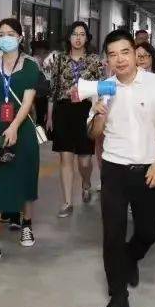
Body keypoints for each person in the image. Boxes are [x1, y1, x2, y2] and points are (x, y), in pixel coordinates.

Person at [88, 29, 155, 307]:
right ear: (107, 59)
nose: (120, 60)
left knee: (148, 232)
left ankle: (129, 259)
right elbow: (93, 133)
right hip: (114, 168)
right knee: (112, 234)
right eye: (112, 55)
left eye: (125, 52)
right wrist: (99, 114)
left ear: (135, 53)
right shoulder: (104, 88)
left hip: (148, 169)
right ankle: (118, 296)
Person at [0, 18, 42, 264]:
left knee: (25, 178)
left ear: (20, 37)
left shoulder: (30, 66)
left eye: (10, 33)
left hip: (22, 131)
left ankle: (27, 224)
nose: (5, 38)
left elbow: (27, 102)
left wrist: (13, 127)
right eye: (1, 34)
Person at [48, 21, 103, 217]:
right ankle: (67, 202)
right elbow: (53, 89)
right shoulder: (59, 59)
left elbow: (100, 89)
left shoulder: (95, 61)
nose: (78, 38)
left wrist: (97, 112)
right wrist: (49, 116)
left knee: (85, 161)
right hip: (63, 111)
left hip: (85, 111)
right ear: (69, 37)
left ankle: (86, 182)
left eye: (82, 34)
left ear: (87, 38)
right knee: (65, 157)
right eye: (74, 34)